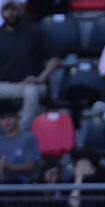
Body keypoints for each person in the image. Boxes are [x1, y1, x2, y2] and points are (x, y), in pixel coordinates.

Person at [0, 0, 58, 132]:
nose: (11, 13)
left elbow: (55, 58)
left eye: (14, 9)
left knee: (31, 92)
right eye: (7, 10)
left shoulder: (33, 30)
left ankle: (21, 132)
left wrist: (41, 78)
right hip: (4, 85)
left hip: (29, 84)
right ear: (2, 13)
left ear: (21, 10)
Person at [0, 100, 40, 183]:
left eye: (10, 116)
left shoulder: (28, 137)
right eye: (2, 118)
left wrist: (9, 167)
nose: (6, 121)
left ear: (17, 117)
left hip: (23, 182)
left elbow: (32, 165)